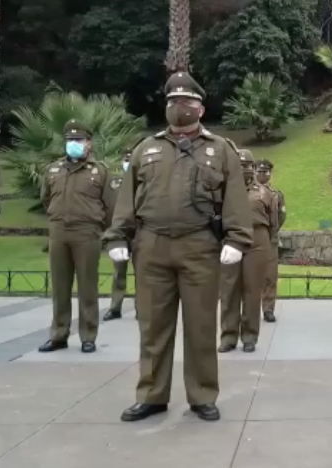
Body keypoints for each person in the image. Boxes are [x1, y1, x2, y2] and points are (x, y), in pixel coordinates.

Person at [102, 71, 253, 422]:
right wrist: (117, 235)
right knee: (152, 325)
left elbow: (235, 199)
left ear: (200, 109)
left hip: (199, 244)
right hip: (151, 245)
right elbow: (127, 198)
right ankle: (152, 394)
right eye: (172, 102)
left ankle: (202, 395)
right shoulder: (146, 149)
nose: (178, 107)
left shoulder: (221, 150)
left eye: (186, 102)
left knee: (200, 326)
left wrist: (236, 239)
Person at [38, 120, 116, 354]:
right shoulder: (53, 170)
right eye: (70, 140)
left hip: (87, 233)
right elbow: (46, 199)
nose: (74, 144)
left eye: (79, 140)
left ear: (88, 144)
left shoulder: (99, 171)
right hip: (59, 232)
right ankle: (59, 334)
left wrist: (103, 230)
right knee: (60, 287)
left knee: (87, 287)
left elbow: (110, 207)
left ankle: (88, 335)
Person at [218, 150, 277, 353]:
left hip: (257, 240)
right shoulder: (224, 190)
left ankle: (250, 336)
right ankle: (228, 336)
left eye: (248, 166)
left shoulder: (265, 192)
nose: (244, 169)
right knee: (228, 290)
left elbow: (273, 221)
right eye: (240, 165)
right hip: (231, 240)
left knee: (252, 291)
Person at [104, 148, 135, 321]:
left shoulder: (144, 177)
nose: (127, 162)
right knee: (118, 272)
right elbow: (108, 205)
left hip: (139, 231)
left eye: (131, 158)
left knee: (142, 273)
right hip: (119, 232)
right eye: (126, 158)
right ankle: (115, 307)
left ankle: (141, 308)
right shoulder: (115, 181)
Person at [255, 159, 285, 323]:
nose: (262, 175)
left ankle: (268, 309)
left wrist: (272, 231)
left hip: (270, 238)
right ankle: (249, 308)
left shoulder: (276, 194)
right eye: (259, 171)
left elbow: (281, 215)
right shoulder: (245, 191)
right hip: (251, 238)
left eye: (265, 172)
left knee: (270, 275)